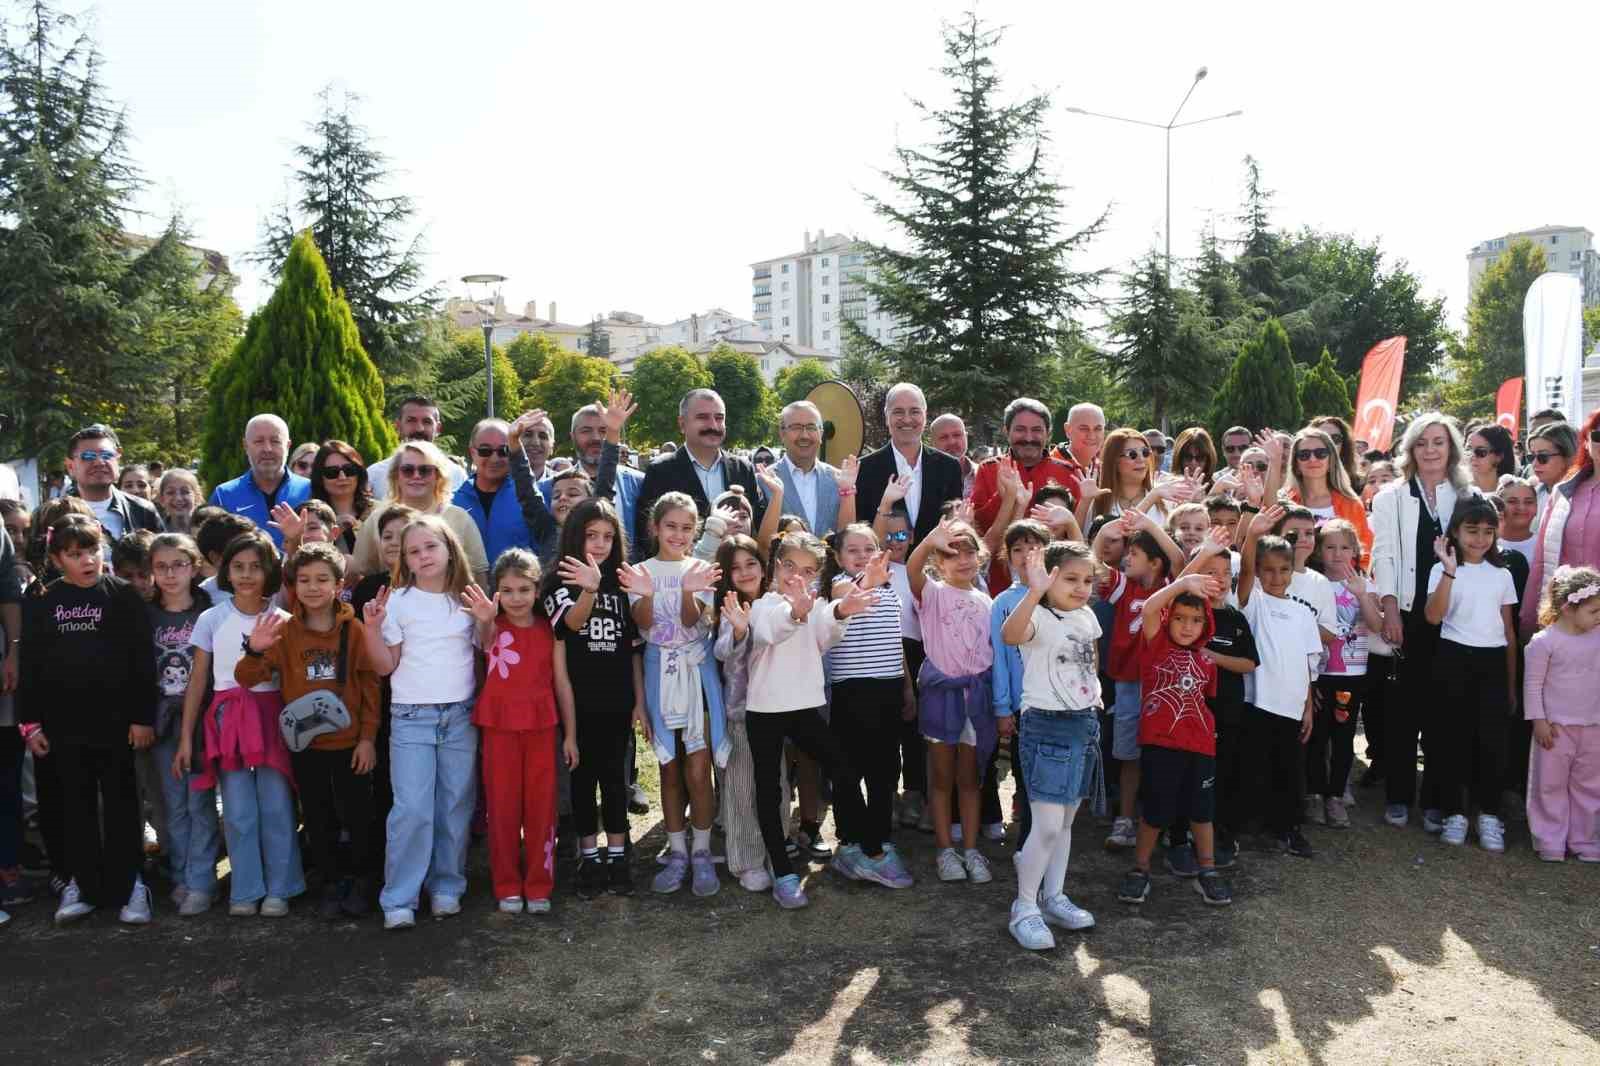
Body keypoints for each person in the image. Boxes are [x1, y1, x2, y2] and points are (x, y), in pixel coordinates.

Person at [18, 514, 156, 924]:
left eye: (93, 550)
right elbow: (32, 665)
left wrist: (141, 717)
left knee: (121, 804)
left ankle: (130, 883)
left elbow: (142, 662)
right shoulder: (43, 599)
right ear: (58, 558)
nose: (87, 561)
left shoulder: (123, 596)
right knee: (74, 806)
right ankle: (83, 883)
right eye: (76, 554)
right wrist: (32, 723)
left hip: (117, 725)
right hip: (63, 727)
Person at [236, 542, 380, 917]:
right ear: (292, 585)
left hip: (350, 743)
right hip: (305, 745)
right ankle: (331, 881)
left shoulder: (355, 631)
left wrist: (367, 738)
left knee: (358, 814)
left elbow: (370, 688)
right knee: (317, 815)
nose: (313, 587)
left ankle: (363, 879)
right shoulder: (284, 632)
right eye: (304, 580)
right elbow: (248, 679)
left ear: (338, 584)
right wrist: (254, 650)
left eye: (322, 579)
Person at [742, 531, 876, 908]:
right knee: (769, 790)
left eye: (808, 570)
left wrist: (840, 611)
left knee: (842, 771)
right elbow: (772, 628)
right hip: (765, 709)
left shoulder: (816, 604)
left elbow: (824, 635)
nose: (797, 576)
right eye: (789, 566)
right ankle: (782, 872)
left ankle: (865, 849)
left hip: (805, 706)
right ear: (775, 566)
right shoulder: (762, 605)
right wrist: (797, 611)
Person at [175, 528, 304, 917]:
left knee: (277, 806)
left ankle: (281, 888)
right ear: (225, 571)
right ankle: (245, 890)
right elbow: (198, 680)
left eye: (255, 567)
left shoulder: (283, 619)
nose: (247, 575)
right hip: (227, 719)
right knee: (238, 811)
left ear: (270, 571)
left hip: (270, 719)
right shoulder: (211, 618)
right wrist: (185, 738)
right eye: (238, 567)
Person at [360, 514, 480, 930]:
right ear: (404, 560)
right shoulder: (398, 602)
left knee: (454, 804)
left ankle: (447, 885)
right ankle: (400, 896)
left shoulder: (468, 598)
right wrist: (372, 630)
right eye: (413, 551)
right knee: (411, 808)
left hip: (461, 715)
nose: (423, 556)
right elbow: (384, 665)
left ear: (449, 548)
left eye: (431, 546)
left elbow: (491, 648)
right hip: (412, 718)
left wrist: (486, 618)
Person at [1369, 414, 1475, 830]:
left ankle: (1437, 799)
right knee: (1402, 709)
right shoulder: (1391, 497)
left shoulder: (1467, 496)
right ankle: (1398, 795)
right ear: (1410, 450)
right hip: (1409, 615)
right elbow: (1384, 557)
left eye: (1439, 442)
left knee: (1444, 711)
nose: (1431, 450)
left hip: (1454, 618)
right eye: (1422, 443)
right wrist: (1390, 609)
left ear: (1451, 449)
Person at [620, 492, 727, 896]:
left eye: (687, 527)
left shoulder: (701, 568)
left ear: (696, 529)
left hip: (696, 675)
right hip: (658, 673)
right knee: (669, 767)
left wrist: (687, 590)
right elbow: (643, 623)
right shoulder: (639, 570)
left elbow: (689, 618)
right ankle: (677, 849)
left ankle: (701, 851)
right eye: (671, 526)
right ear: (655, 527)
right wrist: (646, 593)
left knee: (698, 767)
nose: (679, 534)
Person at [1000, 540, 1104, 948]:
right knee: (1043, 827)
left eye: (1088, 580)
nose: (1081, 588)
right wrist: (1034, 591)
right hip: (1046, 727)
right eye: (1071, 579)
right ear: (1050, 576)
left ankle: (1053, 897)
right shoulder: (1037, 615)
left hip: (1083, 725)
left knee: (1063, 824)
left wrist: (1095, 697)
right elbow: (1010, 636)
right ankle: (1023, 907)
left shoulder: (1087, 617)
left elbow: (1089, 661)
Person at [463, 549, 573, 916]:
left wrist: (570, 735)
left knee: (542, 809)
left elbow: (562, 682)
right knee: (503, 808)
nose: (516, 598)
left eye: (524, 589)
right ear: (497, 592)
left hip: (543, 728)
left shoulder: (550, 630)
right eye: (507, 590)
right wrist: (484, 620)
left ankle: (539, 884)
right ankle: (507, 884)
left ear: (537, 589)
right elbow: (484, 640)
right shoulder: (493, 626)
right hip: (499, 729)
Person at [1113, 567, 1232, 908]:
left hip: (1201, 745)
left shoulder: (1207, 661)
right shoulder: (1155, 648)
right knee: (1156, 810)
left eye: (1195, 620)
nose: (1186, 626)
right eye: (1179, 618)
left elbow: (1206, 700)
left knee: (1202, 811)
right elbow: (1150, 608)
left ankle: (1207, 871)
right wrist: (1182, 583)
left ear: (1205, 625)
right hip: (1161, 745)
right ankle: (1140, 868)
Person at [544, 498, 645, 899]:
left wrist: (639, 701)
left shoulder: (622, 584)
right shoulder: (556, 582)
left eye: (607, 536)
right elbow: (572, 623)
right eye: (591, 535)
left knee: (616, 780)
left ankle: (618, 854)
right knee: (583, 782)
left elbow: (634, 648)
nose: (601, 544)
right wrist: (588, 587)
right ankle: (589, 856)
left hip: (617, 701)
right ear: (574, 536)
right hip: (578, 705)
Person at [819, 524, 915, 890]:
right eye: (853, 550)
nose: (861, 555)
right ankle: (854, 842)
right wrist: (868, 580)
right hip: (853, 691)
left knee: (886, 768)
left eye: (868, 548)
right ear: (840, 557)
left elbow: (896, 642)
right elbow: (846, 598)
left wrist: (908, 687)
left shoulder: (889, 586)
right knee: (848, 767)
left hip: (889, 688)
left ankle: (877, 839)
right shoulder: (840, 585)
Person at [1421, 497, 1518, 850]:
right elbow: (1434, 616)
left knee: (1492, 741)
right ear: (1456, 532)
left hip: (1492, 662)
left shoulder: (1503, 574)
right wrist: (1449, 570)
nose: (1480, 539)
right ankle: (1454, 812)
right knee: (1452, 738)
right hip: (1453, 659)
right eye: (1472, 531)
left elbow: (1508, 633)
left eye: (1488, 532)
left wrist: (1510, 684)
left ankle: (1489, 814)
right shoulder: (1442, 569)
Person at [905, 516, 997, 884]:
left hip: (976, 700)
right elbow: (912, 569)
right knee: (941, 778)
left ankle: (972, 850)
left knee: (970, 779)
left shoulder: (987, 601)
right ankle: (946, 851)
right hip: (941, 699)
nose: (962, 560)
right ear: (938, 563)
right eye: (951, 553)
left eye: (969, 551)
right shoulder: (932, 594)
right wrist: (930, 539)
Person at [1094, 509, 1184, 848]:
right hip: (1129, 684)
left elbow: (1177, 557)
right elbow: (1093, 566)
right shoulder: (1124, 588)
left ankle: (1158, 820)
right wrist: (1105, 530)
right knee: (1129, 755)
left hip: (1163, 685)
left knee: (1160, 756)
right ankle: (1124, 819)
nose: (1126, 558)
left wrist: (1152, 527)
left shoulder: (1170, 587)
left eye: (1134, 554)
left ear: (1155, 563)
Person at [1237, 506, 1322, 858]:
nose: (1276, 577)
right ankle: (1244, 826)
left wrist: (1307, 708)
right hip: (1257, 704)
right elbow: (1242, 573)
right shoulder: (1253, 602)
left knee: (1290, 772)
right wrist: (1253, 535)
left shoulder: (1303, 612)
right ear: (1258, 572)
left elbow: (1308, 667)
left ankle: (1289, 828)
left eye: (1283, 570)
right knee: (1253, 767)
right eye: (1268, 570)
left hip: (1291, 708)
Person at [144, 533, 220, 916]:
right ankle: (181, 877)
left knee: (201, 801)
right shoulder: (147, 615)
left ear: (194, 567)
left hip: (203, 719)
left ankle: (203, 881)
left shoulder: (208, 611)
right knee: (173, 804)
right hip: (162, 722)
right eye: (161, 567)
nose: (170, 574)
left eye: (178, 565)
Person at [711, 534, 789, 892]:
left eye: (750, 563)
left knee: (775, 785)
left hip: (776, 710)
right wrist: (741, 630)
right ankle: (745, 859)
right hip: (741, 715)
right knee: (740, 787)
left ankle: (777, 849)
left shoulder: (777, 602)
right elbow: (723, 650)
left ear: (764, 565)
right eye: (735, 567)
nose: (744, 573)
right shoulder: (730, 608)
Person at [1305, 520, 1382, 828]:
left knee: (1343, 735)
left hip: (1351, 675)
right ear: (1319, 550)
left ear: (1355, 550)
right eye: (1330, 547)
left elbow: (1377, 626)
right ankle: (1313, 793)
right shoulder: (1312, 582)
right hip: (1319, 673)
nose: (1337, 554)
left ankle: (1335, 796)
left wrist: (1362, 595)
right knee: (1316, 735)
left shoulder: (1366, 582)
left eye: (1345, 547)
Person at [1524, 564, 1600, 862]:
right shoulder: (1544, 643)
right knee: (1550, 784)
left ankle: (1584, 840)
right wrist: (1539, 722)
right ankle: (1550, 839)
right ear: (1568, 608)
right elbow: (1532, 685)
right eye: (1594, 611)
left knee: (1589, 785)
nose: (1599, 616)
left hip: (1593, 726)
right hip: (1555, 729)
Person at [634, 389, 764, 557]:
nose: (713, 425)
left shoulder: (742, 469)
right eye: (702, 417)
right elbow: (648, 535)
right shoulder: (661, 471)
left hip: (736, 575)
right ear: (682, 424)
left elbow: (755, 528)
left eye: (719, 418)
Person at [989, 518, 1053, 853]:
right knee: (1026, 778)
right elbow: (999, 659)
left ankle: (1049, 844)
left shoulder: (1060, 596)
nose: (1027, 554)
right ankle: (1027, 847)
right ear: (1008, 556)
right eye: (1018, 549)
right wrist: (1002, 707)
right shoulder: (1001, 603)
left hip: (1057, 705)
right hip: (1021, 706)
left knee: (1052, 781)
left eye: (1034, 546)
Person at [971, 398, 1078, 590]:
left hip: (1054, 586)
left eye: (1036, 430)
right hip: (1001, 586)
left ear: (1048, 433)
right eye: (1020, 429)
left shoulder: (1068, 473)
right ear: (1006, 431)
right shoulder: (989, 470)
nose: (1028, 437)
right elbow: (979, 533)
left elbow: (1076, 533)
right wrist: (1004, 497)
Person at [350, 441, 490, 585]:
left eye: (425, 470)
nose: (416, 476)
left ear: (438, 475)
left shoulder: (460, 518)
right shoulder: (377, 519)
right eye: (407, 470)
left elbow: (478, 578)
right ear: (396, 475)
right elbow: (360, 573)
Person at [857, 383, 965, 550]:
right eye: (898, 412)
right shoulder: (864, 468)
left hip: (934, 570)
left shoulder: (949, 467)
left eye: (914, 411)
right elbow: (861, 531)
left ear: (925, 416)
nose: (907, 419)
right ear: (887, 417)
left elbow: (953, 525)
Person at [1522, 409, 1600, 637]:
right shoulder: (1562, 493)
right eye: (1598, 435)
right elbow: (1541, 561)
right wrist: (1529, 618)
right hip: (1562, 620)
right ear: (1585, 442)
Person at [547, 398, 645, 551]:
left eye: (604, 431)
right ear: (572, 436)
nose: (596, 438)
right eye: (586, 431)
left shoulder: (639, 483)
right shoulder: (550, 487)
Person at [207, 415, 311, 549]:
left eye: (275, 441)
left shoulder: (309, 490)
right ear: (245, 446)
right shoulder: (223, 495)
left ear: (288, 445)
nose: (267, 448)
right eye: (259, 441)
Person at [1284, 427, 1373, 566]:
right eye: (1304, 454)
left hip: (1342, 584)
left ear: (1331, 461)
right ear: (1296, 465)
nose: (1312, 459)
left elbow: (1364, 552)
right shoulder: (1285, 501)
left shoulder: (1351, 503)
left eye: (1321, 453)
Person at [453, 418, 535, 566]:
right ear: (472, 452)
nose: (494, 458)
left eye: (503, 451)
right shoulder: (454, 503)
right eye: (485, 451)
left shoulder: (530, 499)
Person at [771, 399, 859, 538]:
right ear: (782, 434)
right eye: (796, 427)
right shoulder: (765, 480)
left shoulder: (839, 480)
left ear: (821, 433)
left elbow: (848, 536)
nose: (804, 435)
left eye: (811, 427)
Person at [63, 425, 164, 540]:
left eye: (107, 455)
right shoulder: (54, 514)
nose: (99, 462)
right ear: (70, 466)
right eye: (88, 456)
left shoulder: (143, 511)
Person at [367, 396, 469, 501]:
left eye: (427, 422)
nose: (419, 428)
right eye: (411, 421)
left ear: (438, 429)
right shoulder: (374, 475)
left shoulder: (456, 475)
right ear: (398, 426)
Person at [308, 440, 373, 557]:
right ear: (320, 478)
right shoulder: (309, 517)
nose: (342, 477)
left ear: (359, 473)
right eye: (332, 472)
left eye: (349, 470)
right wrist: (330, 534)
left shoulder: (379, 511)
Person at [1525, 422, 1578, 525]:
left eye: (1543, 457)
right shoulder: (1529, 494)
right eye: (1531, 457)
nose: (1534, 463)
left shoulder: (1586, 497)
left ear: (1568, 456)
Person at [929, 413, 976, 500]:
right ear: (932, 443)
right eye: (943, 437)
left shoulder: (984, 474)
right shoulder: (923, 478)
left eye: (957, 435)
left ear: (966, 437)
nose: (951, 442)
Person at [1308, 416, 1360, 488]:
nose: (1329, 443)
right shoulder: (1298, 483)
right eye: (1322, 438)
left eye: (1335, 438)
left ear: (1344, 444)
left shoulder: (1359, 484)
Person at [1466, 425, 1517, 494]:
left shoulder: (1516, 492)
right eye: (1468, 449)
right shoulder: (1456, 491)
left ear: (1499, 456)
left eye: (1481, 451)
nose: (1472, 456)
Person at [157, 469, 204, 534]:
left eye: (185, 492)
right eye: (170, 492)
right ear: (161, 499)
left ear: (197, 497)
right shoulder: (156, 531)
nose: (178, 498)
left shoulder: (207, 530)